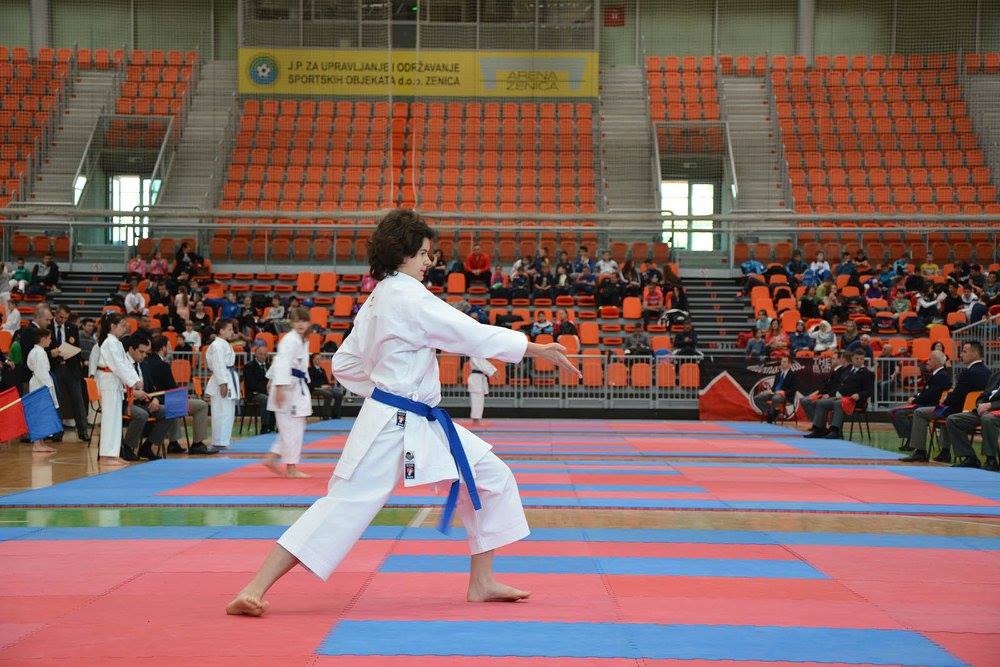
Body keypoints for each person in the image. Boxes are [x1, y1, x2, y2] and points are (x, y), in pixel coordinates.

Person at [226, 209, 580, 617]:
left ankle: (482, 582)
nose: (429, 262)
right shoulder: (409, 296)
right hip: (393, 422)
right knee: (345, 503)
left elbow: (344, 363)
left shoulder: (378, 298)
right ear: (403, 252)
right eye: (424, 254)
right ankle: (253, 587)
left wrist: (383, 389)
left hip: (416, 418)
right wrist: (535, 348)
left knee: (491, 477)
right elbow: (469, 333)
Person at [900, 341, 991, 464]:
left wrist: (943, 403)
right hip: (970, 408)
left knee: (920, 412)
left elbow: (957, 396)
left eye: (964, 351)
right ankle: (944, 451)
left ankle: (920, 451)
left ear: (975, 354)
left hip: (957, 409)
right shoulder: (988, 371)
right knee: (944, 412)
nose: (961, 354)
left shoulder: (969, 372)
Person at [143, 335, 217, 456]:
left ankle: (174, 443)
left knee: (176, 404)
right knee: (202, 405)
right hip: (165, 400)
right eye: (169, 346)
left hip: (154, 399)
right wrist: (184, 396)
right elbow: (172, 389)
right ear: (163, 348)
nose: (170, 348)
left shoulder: (145, 361)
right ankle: (197, 444)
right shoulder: (163, 365)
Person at [262, 308, 313, 478]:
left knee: (293, 426)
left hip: (294, 387)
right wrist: (279, 387)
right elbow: (282, 363)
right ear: (291, 323)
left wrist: (272, 379)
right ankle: (291, 468)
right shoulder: (290, 340)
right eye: (297, 321)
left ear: (309, 323)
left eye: (304, 321)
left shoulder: (301, 340)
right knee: (292, 428)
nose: (300, 324)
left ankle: (272, 457)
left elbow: (279, 360)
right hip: (287, 388)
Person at [95, 313, 143, 466]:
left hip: (114, 383)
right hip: (109, 383)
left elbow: (125, 363)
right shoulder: (110, 342)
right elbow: (119, 365)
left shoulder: (115, 342)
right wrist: (133, 381)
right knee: (110, 419)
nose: (125, 328)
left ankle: (113, 454)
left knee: (115, 420)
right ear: (112, 326)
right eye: (122, 325)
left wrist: (135, 379)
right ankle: (106, 455)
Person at [122, 333, 175, 461]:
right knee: (142, 414)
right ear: (131, 349)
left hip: (143, 402)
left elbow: (153, 388)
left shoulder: (144, 364)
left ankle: (147, 446)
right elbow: (117, 388)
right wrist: (133, 393)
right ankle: (127, 447)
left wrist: (156, 399)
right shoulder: (122, 364)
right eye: (141, 352)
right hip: (125, 402)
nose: (144, 355)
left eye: (146, 352)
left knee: (169, 411)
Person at [804, 349, 874, 439]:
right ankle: (819, 429)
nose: (859, 360)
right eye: (857, 358)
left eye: (861, 359)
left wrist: (859, 395)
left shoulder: (868, 373)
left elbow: (869, 391)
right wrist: (832, 394)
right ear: (852, 359)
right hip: (842, 397)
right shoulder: (848, 371)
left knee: (838, 403)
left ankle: (835, 431)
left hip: (855, 401)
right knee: (820, 403)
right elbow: (840, 385)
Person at [891, 350, 951, 450]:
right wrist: (915, 397)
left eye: (930, 359)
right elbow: (925, 392)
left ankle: (911, 440)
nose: (927, 362)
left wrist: (914, 400)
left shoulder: (941, 376)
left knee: (895, 413)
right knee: (896, 411)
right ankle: (911, 439)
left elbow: (929, 395)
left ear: (937, 361)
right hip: (926, 403)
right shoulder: (937, 375)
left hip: (931, 406)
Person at [942, 369, 1000, 470]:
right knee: (953, 419)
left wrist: (991, 405)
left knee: (987, 419)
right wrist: (980, 405)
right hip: (984, 411)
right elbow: (983, 395)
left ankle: (991, 460)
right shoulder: (996, 376)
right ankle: (970, 457)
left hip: (995, 412)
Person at [51, 305, 89, 442]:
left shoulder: (72, 327)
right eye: (61, 317)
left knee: (78, 400)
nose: (63, 320)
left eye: (66, 318)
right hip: (55, 368)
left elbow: (77, 347)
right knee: (57, 401)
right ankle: (57, 432)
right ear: (56, 314)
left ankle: (83, 432)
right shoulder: (48, 327)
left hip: (71, 368)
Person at [205, 319, 240, 450]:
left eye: (232, 329)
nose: (232, 332)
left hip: (228, 376)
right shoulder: (217, 345)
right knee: (221, 412)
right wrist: (223, 383)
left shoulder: (223, 344)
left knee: (228, 412)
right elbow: (218, 365)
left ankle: (223, 441)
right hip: (222, 379)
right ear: (221, 331)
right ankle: (219, 442)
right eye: (229, 329)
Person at [25, 326, 59, 453]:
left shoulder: (37, 351)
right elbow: (41, 373)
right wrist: (48, 387)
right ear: (43, 339)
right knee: (39, 415)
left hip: (39, 384)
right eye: (49, 338)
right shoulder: (38, 353)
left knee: (42, 414)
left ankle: (41, 442)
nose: (50, 341)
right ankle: (37, 444)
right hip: (40, 386)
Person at [754, 355, 798, 423]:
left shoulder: (793, 375)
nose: (782, 363)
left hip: (785, 395)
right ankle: (772, 411)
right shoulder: (778, 374)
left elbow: (794, 389)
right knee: (757, 398)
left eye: (784, 362)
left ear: (789, 364)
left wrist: (784, 392)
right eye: (782, 362)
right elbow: (775, 386)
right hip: (774, 393)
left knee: (776, 398)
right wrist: (770, 391)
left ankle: (771, 416)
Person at [244, 340, 275, 433]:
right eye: (260, 354)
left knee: (276, 397)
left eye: (265, 355)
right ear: (255, 354)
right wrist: (266, 389)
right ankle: (265, 426)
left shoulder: (269, 366)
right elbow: (251, 384)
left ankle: (273, 426)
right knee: (266, 399)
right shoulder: (249, 366)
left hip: (267, 392)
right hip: (253, 394)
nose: (263, 356)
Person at [308, 351, 344, 420]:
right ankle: (326, 416)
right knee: (328, 394)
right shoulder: (310, 370)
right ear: (313, 360)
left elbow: (326, 381)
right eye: (317, 358)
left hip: (325, 388)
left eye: (320, 358)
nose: (319, 360)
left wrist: (328, 385)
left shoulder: (322, 370)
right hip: (315, 389)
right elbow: (310, 383)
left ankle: (335, 415)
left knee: (339, 394)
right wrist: (321, 386)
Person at [467, 356, 497, 425]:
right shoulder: (475, 355)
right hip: (476, 379)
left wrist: (494, 371)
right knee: (476, 400)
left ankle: (477, 419)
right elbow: (483, 364)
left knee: (479, 400)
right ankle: (476, 420)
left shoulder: (478, 355)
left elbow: (484, 363)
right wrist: (493, 371)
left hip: (479, 378)